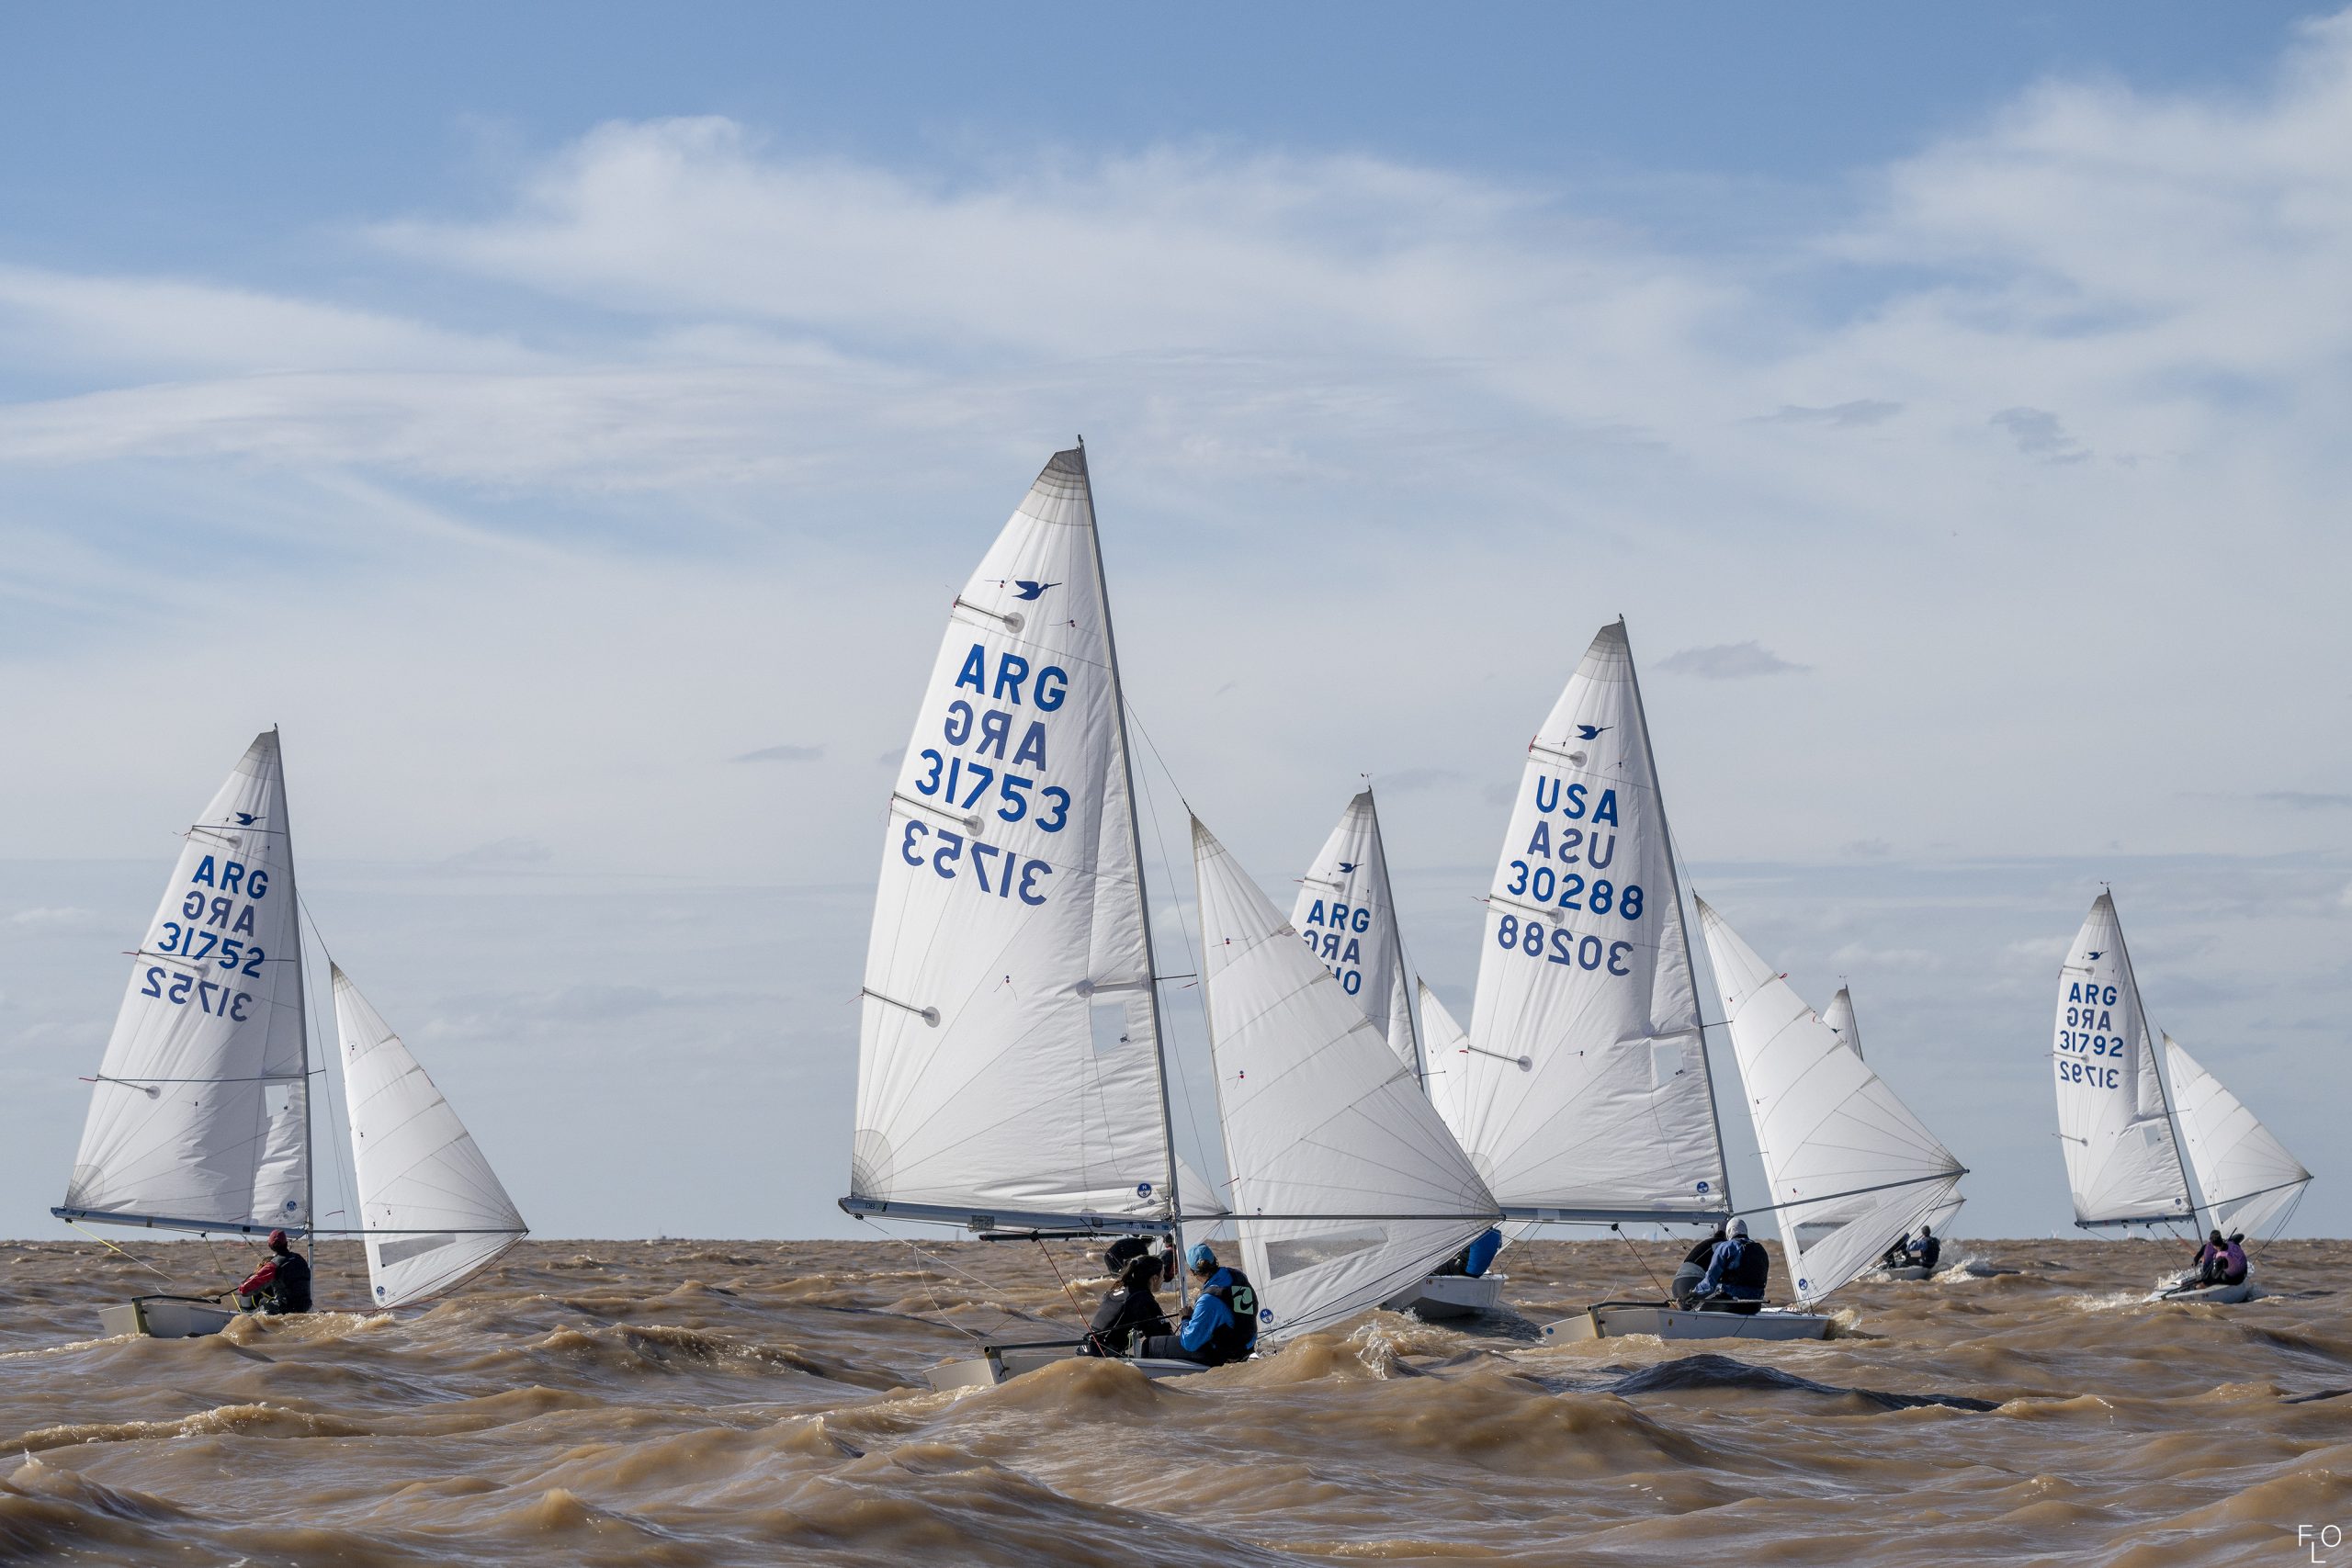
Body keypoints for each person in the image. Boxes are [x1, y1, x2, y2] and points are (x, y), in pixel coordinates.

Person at [1135, 1244, 1259, 1366]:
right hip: (1247, 1346)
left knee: (1150, 1345)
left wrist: (1185, 1318)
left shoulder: (1208, 1299)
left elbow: (1189, 1343)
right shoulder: (1238, 1275)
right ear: (1214, 1260)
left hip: (1225, 1354)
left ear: (1193, 1272)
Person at [1083, 1242, 1170, 1357]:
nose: (1163, 1279)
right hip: (1104, 1355)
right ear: (1154, 1278)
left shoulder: (1116, 1289)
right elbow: (1163, 1338)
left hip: (1086, 1349)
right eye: (1162, 1275)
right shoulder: (1142, 1298)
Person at [1690, 1218, 1770, 1314]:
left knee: (1701, 1309)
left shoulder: (1726, 1247)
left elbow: (1710, 1281)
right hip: (1755, 1306)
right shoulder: (1760, 1249)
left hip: (1731, 1303)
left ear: (1729, 1231)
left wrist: (1693, 1293)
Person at [232, 1230, 312, 1314]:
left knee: (254, 1314)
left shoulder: (274, 1265)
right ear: (286, 1243)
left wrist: (242, 1286)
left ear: (270, 1245)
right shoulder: (300, 1259)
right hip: (305, 1306)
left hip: (284, 1308)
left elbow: (244, 1289)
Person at [1673, 1225, 1727, 1308]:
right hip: (1691, 1282)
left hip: (1677, 1284)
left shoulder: (1707, 1243)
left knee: (1690, 1313)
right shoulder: (1723, 1244)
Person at [1430, 1226, 1506, 1280]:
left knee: (1430, 1269)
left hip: (1464, 1270)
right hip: (1478, 1272)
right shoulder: (1497, 1234)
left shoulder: (1473, 1233)